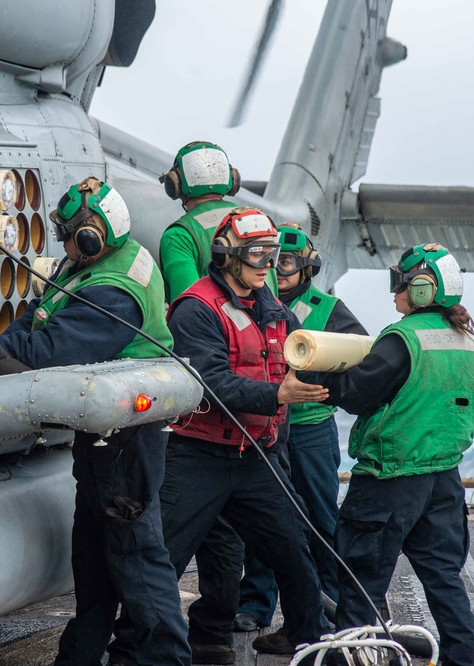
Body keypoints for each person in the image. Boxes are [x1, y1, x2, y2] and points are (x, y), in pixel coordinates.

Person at [0, 177, 191, 666]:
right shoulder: (96, 263)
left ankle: (166, 658)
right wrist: (2, 344)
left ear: (91, 235)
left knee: (134, 555)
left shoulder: (113, 290)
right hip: (104, 438)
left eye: (67, 233)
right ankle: (79, 655)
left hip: (125, 442)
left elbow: (51, 351)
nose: (61, 243)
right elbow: (42, 317)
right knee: (94, 554)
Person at [134, 207, 330, 662]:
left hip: (254, 457)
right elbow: (212, 382)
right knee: (163, 557)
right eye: (257, 254)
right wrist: (278, 393)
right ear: (226, 257)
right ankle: (137, 647)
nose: (268, 265)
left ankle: (308, 637)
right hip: (198, 456)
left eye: (273, 254)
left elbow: (298, 359)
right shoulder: (196, 310)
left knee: (293, 551)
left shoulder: (275, 310)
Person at [319, 243, 474, 666]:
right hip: (444, 479)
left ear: (424, 291)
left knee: (361, 584)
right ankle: (465, 660)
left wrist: (319, 369)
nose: (394, 292)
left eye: (401, 283)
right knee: (444, 578)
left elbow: (358, 394)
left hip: (389, 480)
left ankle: (347, 660)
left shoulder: (402, 340)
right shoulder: (466, 342)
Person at [234, 223, 367, 632]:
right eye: (270, 260)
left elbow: (361, 355)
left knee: (321, 519)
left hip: (308, 430)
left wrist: (321, 384)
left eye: (286, 262)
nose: (276, 269)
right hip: (267, 427)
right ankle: (255, 605)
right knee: (263, 520)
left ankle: (332, 603)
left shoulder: (328, 308)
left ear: (306, 267)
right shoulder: (253, 304)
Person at [159, 140, 276, 300]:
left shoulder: (179, 236)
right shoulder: (257, 223)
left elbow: (187, 307)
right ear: (232, 179)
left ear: (175, 184)